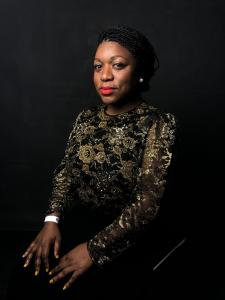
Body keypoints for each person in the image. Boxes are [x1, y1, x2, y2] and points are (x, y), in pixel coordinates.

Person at [7, 25, 180, 300]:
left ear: (140, 72)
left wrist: (93, 250)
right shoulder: (86, 118)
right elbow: (66, 171)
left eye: (118, 65)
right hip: (82, 221)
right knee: (25, 279)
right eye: (98, 66)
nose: (105, 76)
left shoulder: (157, 124)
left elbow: (146, 203)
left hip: (127, 234)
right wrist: (51, 220)